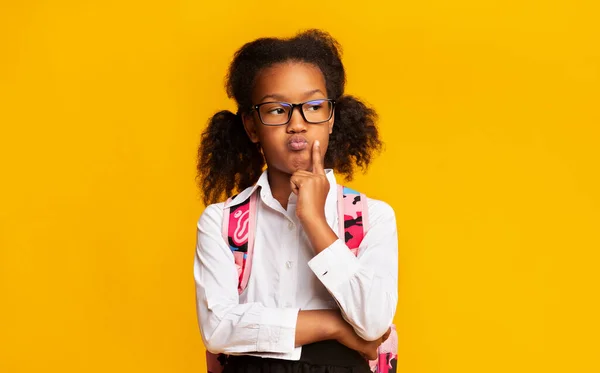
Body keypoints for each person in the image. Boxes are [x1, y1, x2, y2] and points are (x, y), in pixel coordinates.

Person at [194, 29, 398, 373]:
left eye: (314, 106)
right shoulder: (221, 222)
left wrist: (315, 221)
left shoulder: (371, 217)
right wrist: (333, 326)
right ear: (251, 126)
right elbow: (217, 329)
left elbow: (373, 323)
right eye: (277, 110)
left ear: (331, 118)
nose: (297, 124)